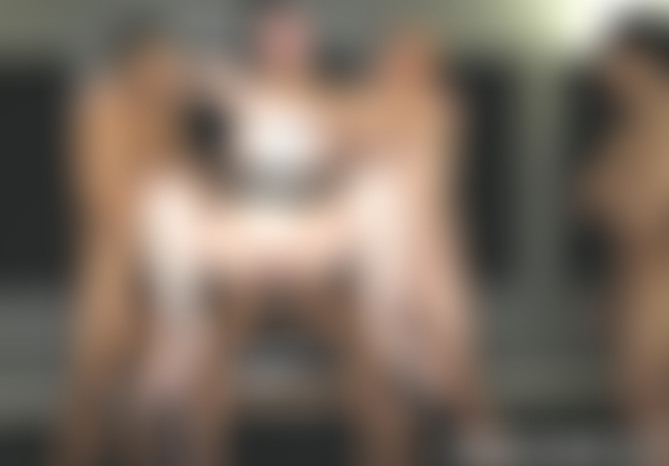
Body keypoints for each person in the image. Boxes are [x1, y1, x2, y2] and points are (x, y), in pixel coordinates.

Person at [578, 21, 669, 466]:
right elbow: (594, 198)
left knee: (647, 422)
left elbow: (635, 213)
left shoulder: (655, 128)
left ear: (639, 64)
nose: (604, 77)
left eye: (613, 65)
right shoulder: (630, 129)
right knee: (641, 423)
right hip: (630, 292)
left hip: (653, 296)